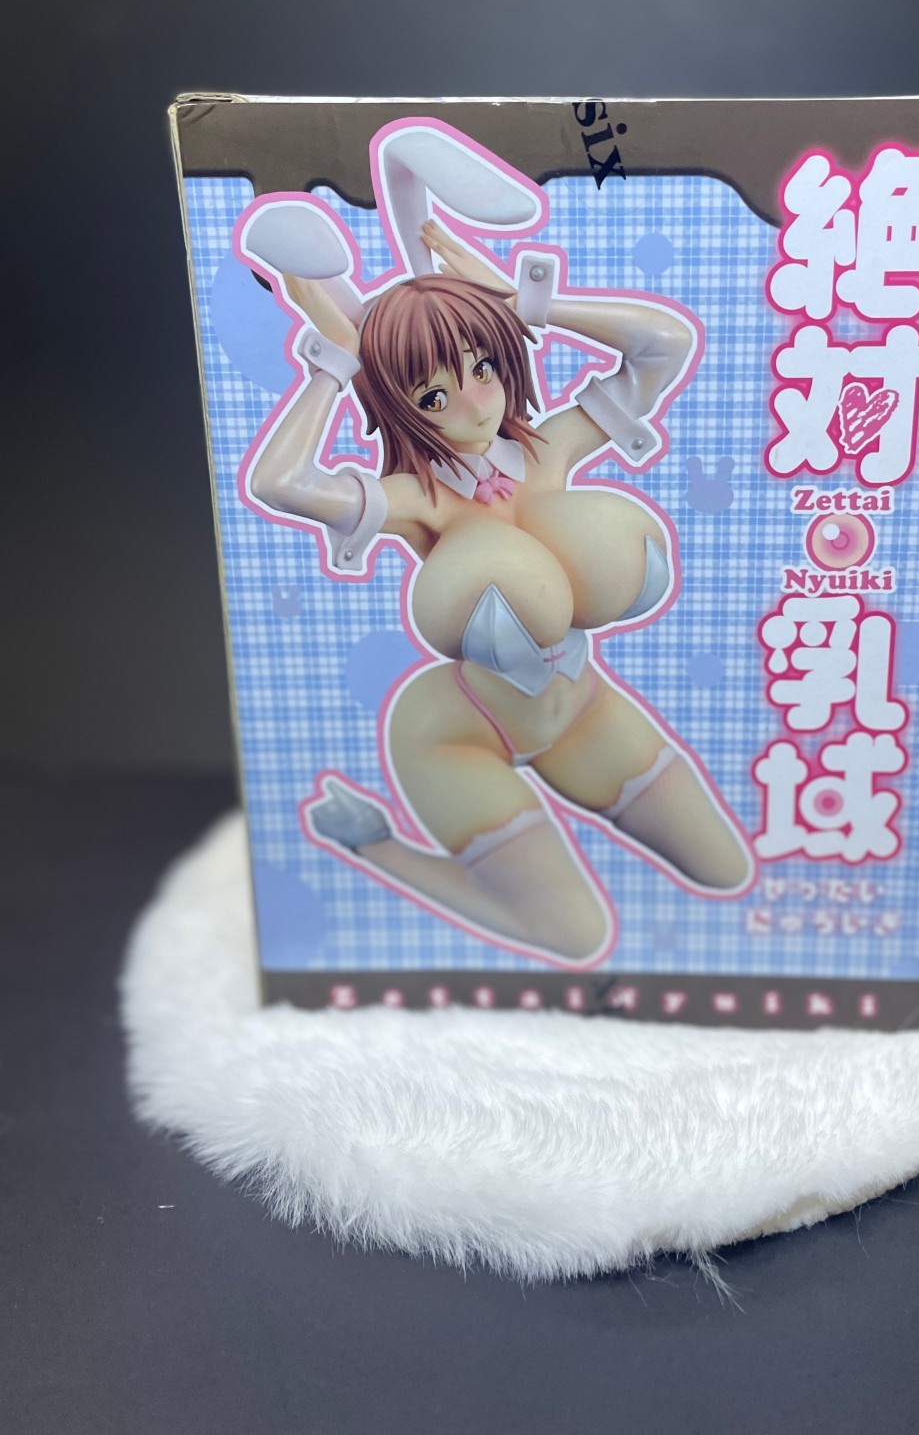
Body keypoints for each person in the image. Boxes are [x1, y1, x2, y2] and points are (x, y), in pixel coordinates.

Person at [240, 123, 753, 965]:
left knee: (726, 868)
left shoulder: (547, 451)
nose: (476, 404)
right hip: (457, 733)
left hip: (582, 710)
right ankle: (376, 848)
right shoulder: (418, 499)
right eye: (432, 395)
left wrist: (523, 305)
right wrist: (334, 366)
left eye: (482, 369)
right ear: (400, 407)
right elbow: (279, 483)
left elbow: (666, 344)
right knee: (578, 937)